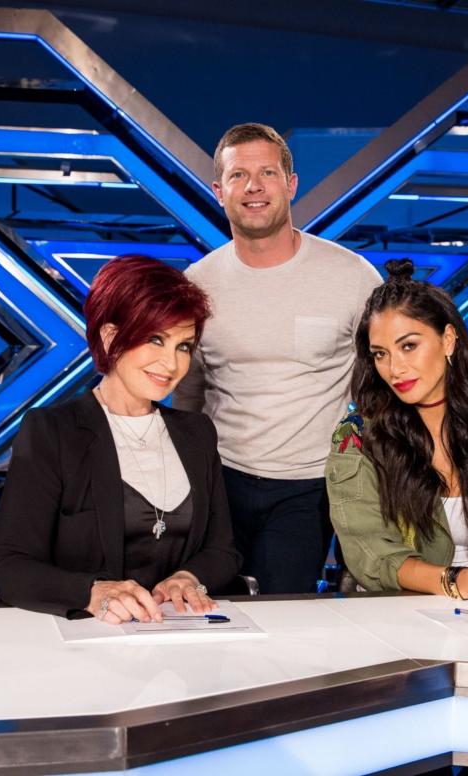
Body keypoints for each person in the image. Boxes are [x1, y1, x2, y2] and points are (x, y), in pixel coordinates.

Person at [173, 122, 381, 594]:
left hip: (309, 486)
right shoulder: (197, 283)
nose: (253, 187)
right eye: (238, 176)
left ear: (290, 185)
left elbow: (380, 391)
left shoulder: (351, 277)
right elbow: (188, 391)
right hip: (218, 479)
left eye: (267, 173)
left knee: (285, 615)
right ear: (218, 191)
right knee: (210, 615)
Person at [0, 256, 240, 623]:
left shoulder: (197, 432)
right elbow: (10, 567)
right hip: (86, 648)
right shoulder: (52, 430)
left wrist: (189, 577)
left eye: (183, 346)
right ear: (110, 337)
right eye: (155, 340)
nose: (171, 364)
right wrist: (93, 592)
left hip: (180, 642)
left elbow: (223, 549)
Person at [326, 260, 468, 613]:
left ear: (447, 340)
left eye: (409, 346)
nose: (395, 369)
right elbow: (371, 554)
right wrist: (463, 583)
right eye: (380, 355)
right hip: (398, 614)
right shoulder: (357, 438)